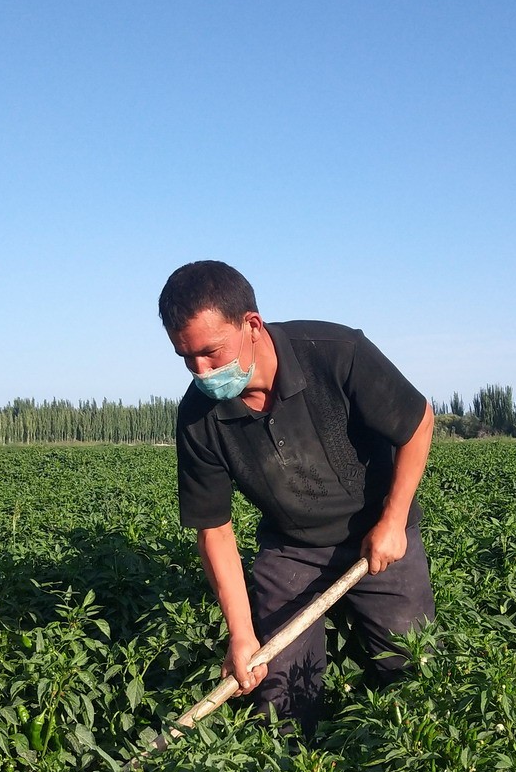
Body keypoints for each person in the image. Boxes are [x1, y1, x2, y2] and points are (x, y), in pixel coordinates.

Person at [159, 260, 436, 740]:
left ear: (252, 324)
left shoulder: (336, 352)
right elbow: (215, 530)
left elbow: (418, 422)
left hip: (378, 533)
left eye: (211, 352)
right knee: (280, 698)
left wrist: (393, 522)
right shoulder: (197, 417)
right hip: (292, 548)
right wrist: (241, 634)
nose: (201, 372)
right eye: (187, 358)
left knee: (413, 670)